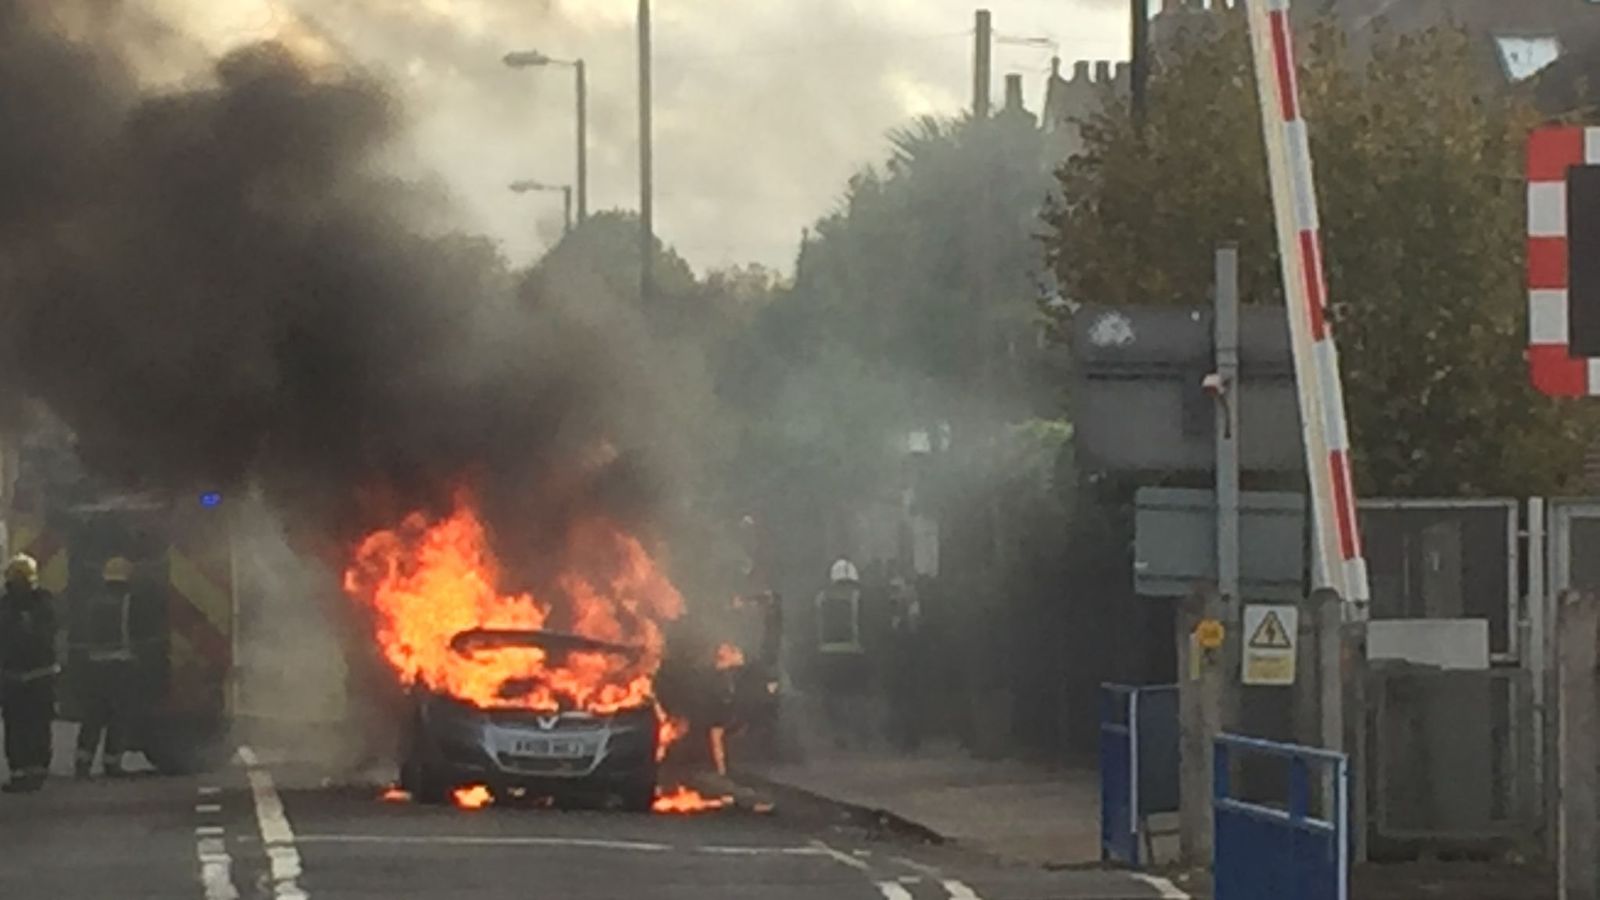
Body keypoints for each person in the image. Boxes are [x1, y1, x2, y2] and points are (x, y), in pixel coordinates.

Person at [73, 557, 141, 778]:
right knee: (117, 717)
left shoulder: (93, 601)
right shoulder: (129, 601)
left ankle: (82, 764)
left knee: (92, 717)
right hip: (120, 665)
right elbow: (137, 633)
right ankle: (112, 764)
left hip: (94, 666)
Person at [0, 553, 60, 792]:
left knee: (19, 728)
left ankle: (22, 774)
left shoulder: (4, 608)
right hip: (37, 678)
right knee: (37, 726)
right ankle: (34, 773)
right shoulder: (46, 605)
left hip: (15, 678)